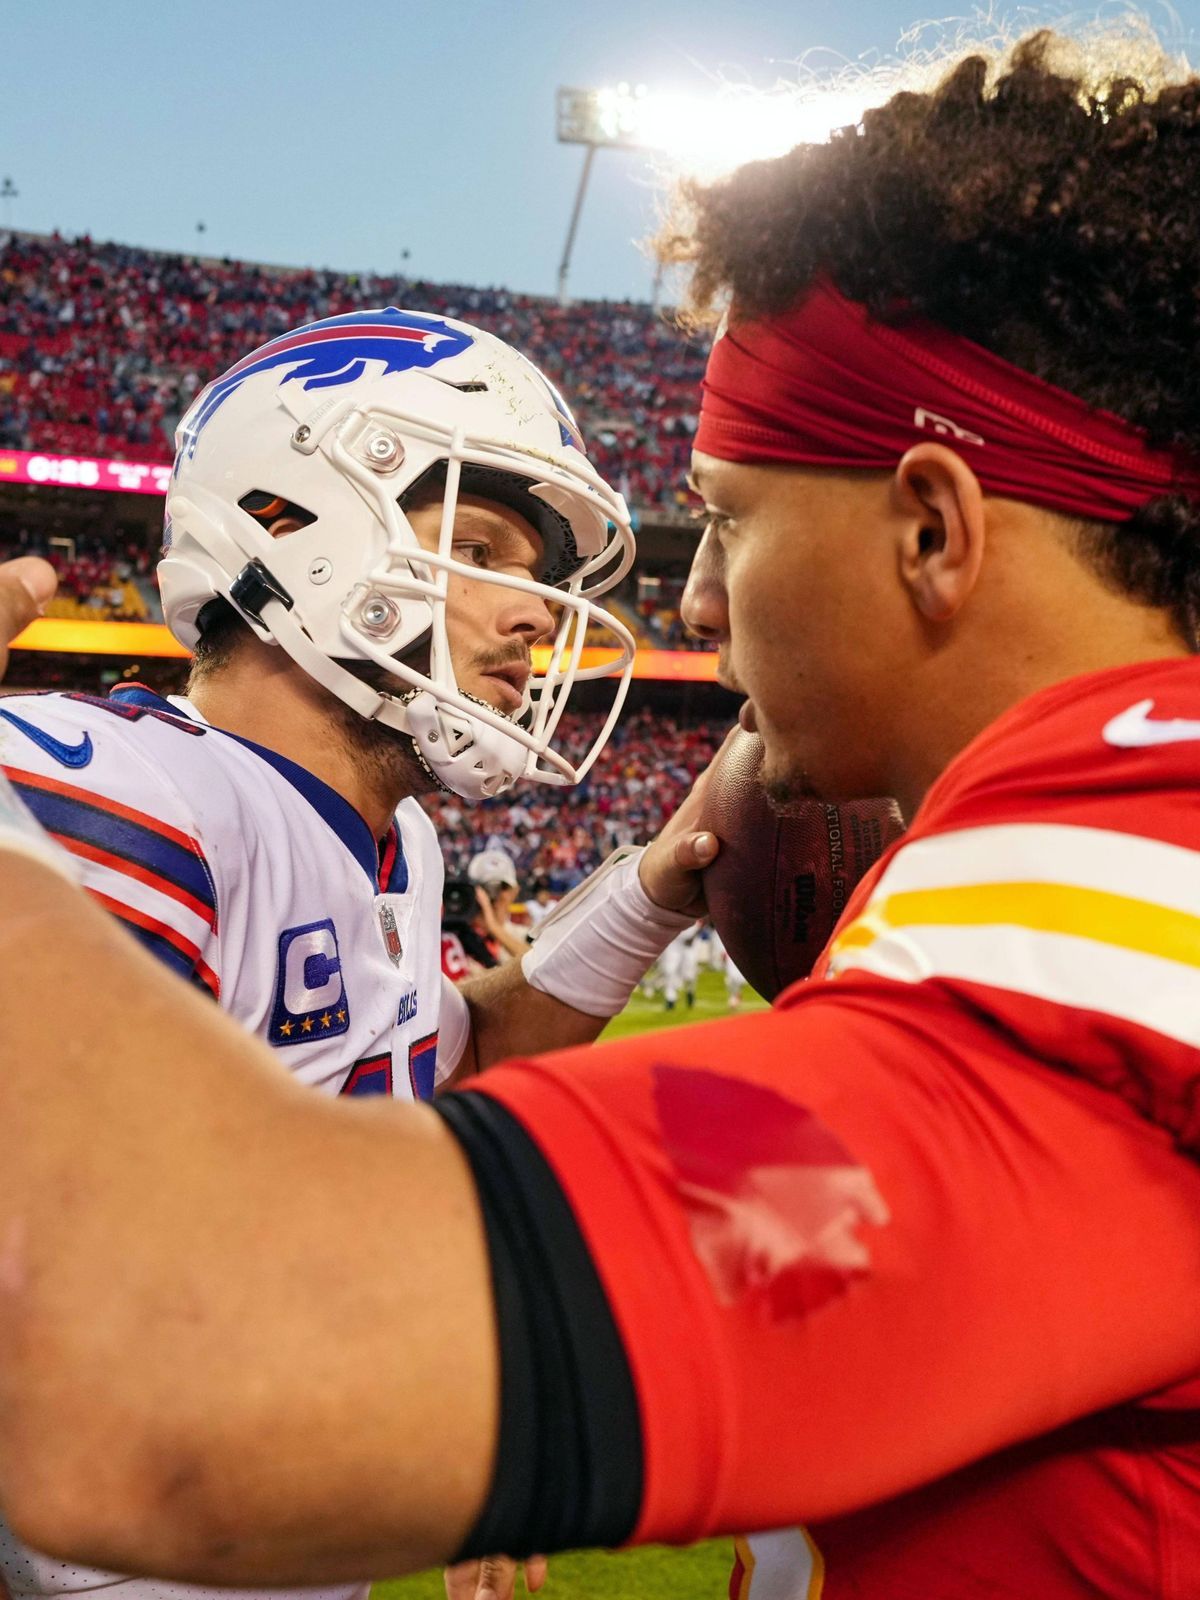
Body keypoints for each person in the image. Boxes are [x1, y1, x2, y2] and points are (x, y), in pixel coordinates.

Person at [4, 23, 1200, 1598]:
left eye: (726, 518)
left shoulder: (1103, 930)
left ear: (934, 530)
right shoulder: (1107, 855)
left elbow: (185, 1382)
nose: (695, 590)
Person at [0, 310, 710, 1600]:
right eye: (482, 549)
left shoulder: (396, 842)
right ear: (297, 527)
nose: (531, 618)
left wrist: (657, 885)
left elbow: (458, 1048)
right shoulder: (134, 797)